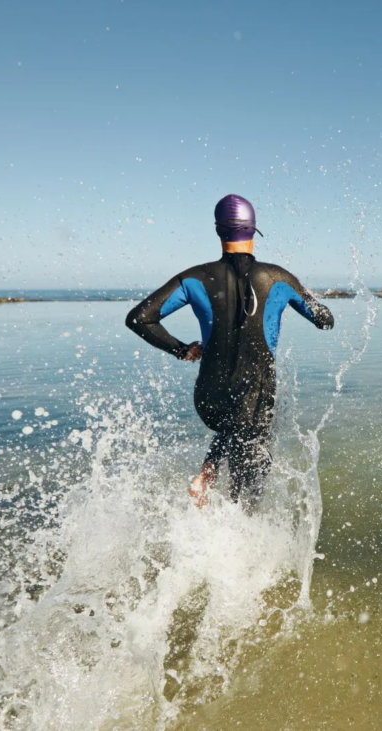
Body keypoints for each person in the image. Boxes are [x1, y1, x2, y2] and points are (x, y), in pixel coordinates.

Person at [126, 194, 334, 510]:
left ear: (218, 231)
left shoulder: (194, 277)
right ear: (253, 230)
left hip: (208, 397)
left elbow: (139, 318)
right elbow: (324, 320)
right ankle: (236, 539)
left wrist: (182, 350)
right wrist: (303, 295)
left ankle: (207, 472)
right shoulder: (278, 277)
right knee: (247, 500)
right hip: (254, 397)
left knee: (230, 423)